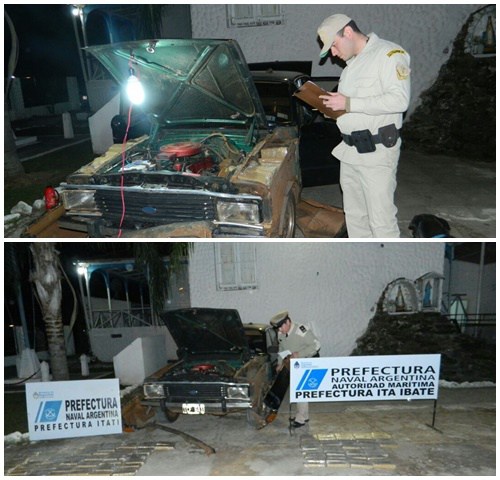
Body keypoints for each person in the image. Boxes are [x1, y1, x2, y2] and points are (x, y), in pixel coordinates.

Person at [317, 14, 411, 238]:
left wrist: (348, 103)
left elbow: (399, 100)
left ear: (348, 32)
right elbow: (356, 108)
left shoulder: (388, 54)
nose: (333, 53)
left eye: (334, 45)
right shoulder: (351, 66)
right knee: (355, 219)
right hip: (350, 152)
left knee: (381, 222)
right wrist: (335, 110)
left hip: (377, 153)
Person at [270, 310, 320, 428]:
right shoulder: (281, 332)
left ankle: (300, 419)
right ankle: (304, 416)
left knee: (300, 390)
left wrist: (299, 354)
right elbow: (282, 349)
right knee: (300, 390)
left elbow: (316, 345)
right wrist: (280, 363)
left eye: (281, 327)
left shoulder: (301, 331)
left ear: (288, 322)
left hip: (307, 362)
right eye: (278, 328)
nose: (279, 330)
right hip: (295, 364)